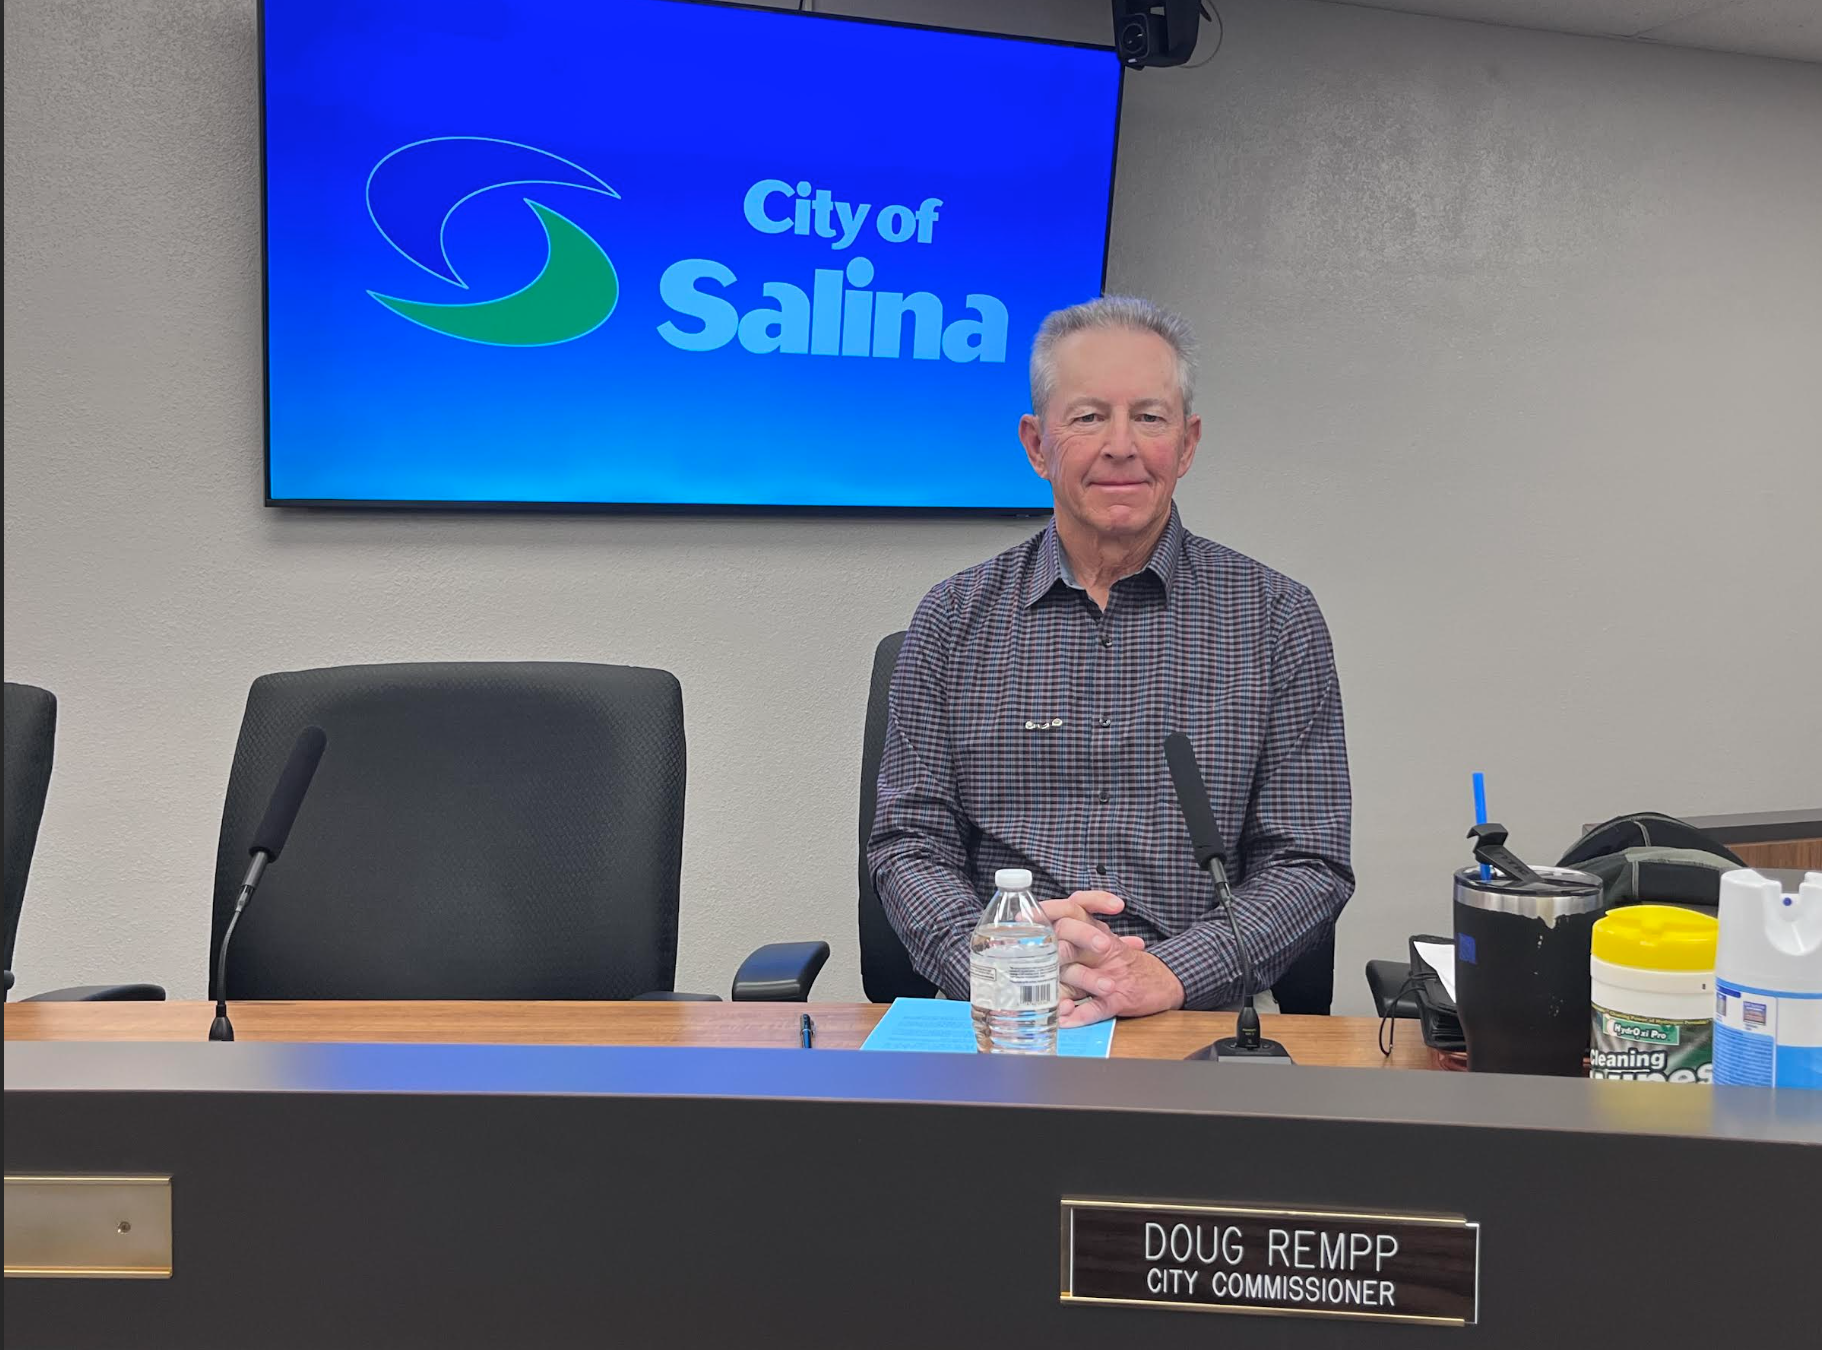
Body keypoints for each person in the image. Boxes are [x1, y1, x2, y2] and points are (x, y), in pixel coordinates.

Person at [868, 296, 1353, 1027]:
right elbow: (909, 844)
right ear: (1037, 445)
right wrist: (997, 957)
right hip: (996, 1010)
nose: (1121, 445)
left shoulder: (1276, 621)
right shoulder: (952, 622)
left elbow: (1308, 861)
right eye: (1089, 417)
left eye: (1150, 418)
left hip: (1196, 1013)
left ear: (1187, 444)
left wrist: (1170, 971)